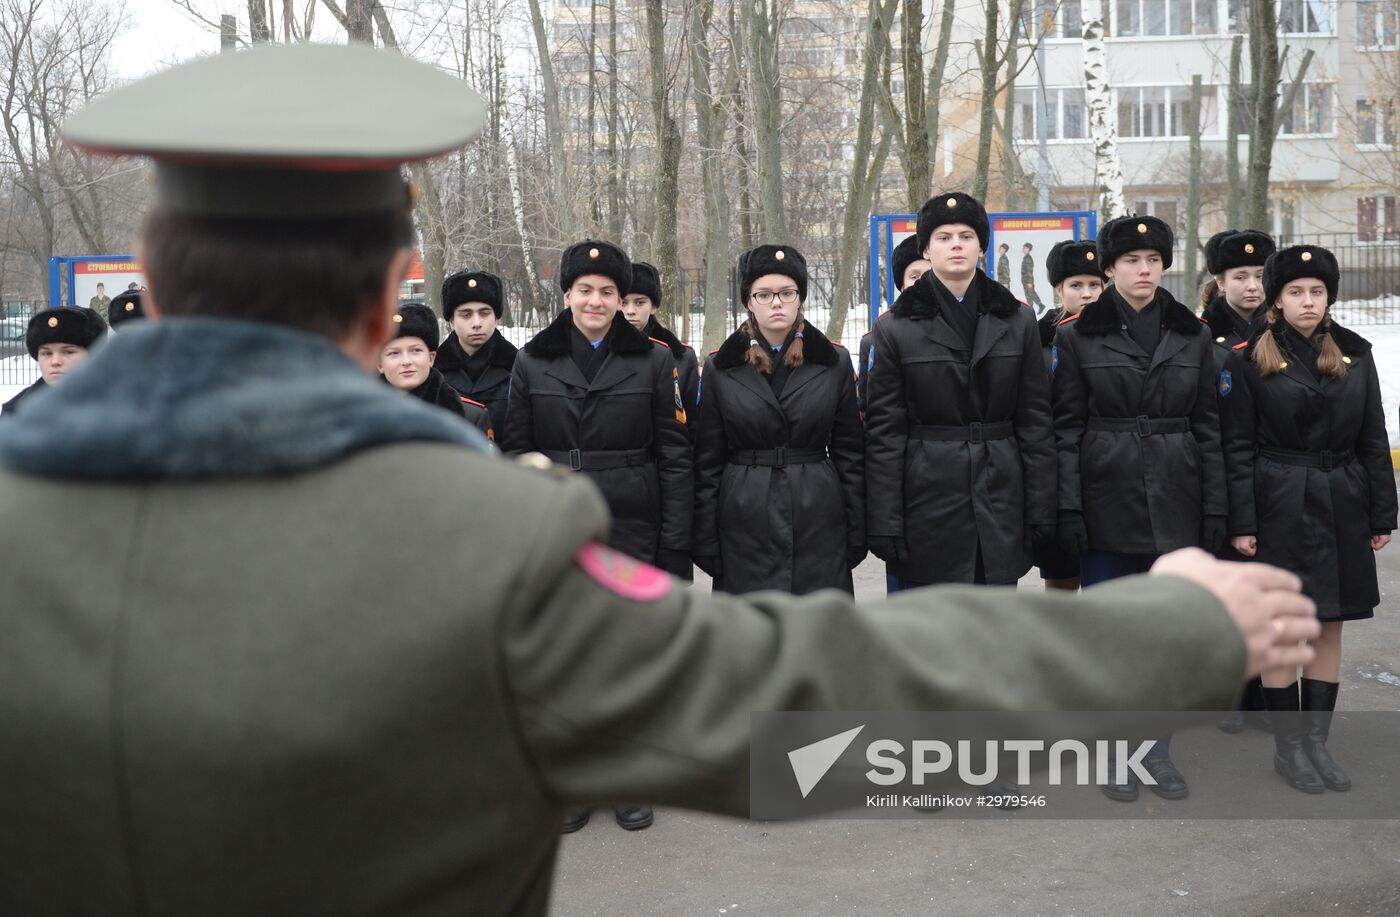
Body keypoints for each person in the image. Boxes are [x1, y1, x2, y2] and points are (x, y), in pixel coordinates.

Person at [0, 42, 1323, 917]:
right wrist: (1177, 620)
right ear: (390, 289)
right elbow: (806, 699)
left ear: (151, 281)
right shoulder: (490, 554)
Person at [1052, 214, 1228, 802]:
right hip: (1107, 493)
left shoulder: (1193, 334)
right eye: (1131, 260)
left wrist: (1215, 511)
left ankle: (1158, 751)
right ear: (1109, 268)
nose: (1144, 269)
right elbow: (1065, 428)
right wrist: (1069, 508)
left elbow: (1209, 426)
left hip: (1177, 494)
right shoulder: (1076, 336)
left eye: (1153, 259)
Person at [1220, 244, 1397, 794]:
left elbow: (1373, 439)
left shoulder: (1356, 354)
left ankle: (1317, 744)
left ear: (1329, 296)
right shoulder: (1249, 357)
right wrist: (1242, 523)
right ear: (1277, 299)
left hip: (1342, 498)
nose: (1307, 301)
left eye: (1317, 291)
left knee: (1329, 622)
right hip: (1279, 499)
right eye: (1295, 291)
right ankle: (1289, 749)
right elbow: (1237, 447)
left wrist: (1381, 513)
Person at [865, 192, 1055, 592]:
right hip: (927, 495)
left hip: (1000, 490)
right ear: (927, 250)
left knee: (992, 632)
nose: (956, 244)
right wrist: (885, 520)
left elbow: (1035, 420)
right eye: (944, 236)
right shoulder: (896, 326)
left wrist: (1041, 509)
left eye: (966, 235)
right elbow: (885, 433)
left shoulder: (1017, 318)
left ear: (981, 247)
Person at [693, 244, 865, 594]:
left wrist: (856, 528)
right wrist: (706, 538)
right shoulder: (720, 367)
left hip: (817, 510)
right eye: (764, 293)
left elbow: (850, 453)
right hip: (744, 512)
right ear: (748, 301)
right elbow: (708, 459)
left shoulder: (833, 362)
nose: (776, 302)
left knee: (816, 634)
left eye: (787, 293)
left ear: (799, 297)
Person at [1200, 228, 1276, 734]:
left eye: (1259, 276)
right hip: (1226, 474)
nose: (1252, 286)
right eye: (1240, 277)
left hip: (1277, 477)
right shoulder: (1202, 336)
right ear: (1219, 281)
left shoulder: (1287, 328)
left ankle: (1265, 692)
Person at [1034, 240, 1105, 592]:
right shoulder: (1038, 340)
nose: (1087, 294)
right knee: (1061, 579)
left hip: (1104, 468)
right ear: (1059, 289)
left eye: (1095, 285)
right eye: (1076, 286)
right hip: (1055, 470)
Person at [380, 302, 493, 440]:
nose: (406, 361)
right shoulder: (358, 417)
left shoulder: (470, 416)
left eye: (416, 350)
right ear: (379, 364)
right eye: (394, 353)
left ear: (431, 357)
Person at [433, 269, 517, 435]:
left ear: (496, 317)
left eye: (484, 313)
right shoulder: (433, 372)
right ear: (451, 321)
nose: (476, 323)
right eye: (466, 315)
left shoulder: (517, 366)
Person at [621, 260, 699, 437]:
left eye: (640, 303)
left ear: (654, 306)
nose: (630, 311)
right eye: (623, 302)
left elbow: (693, 422)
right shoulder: (602, 352)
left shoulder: (681, 357)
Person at [858, 235, 928, 418]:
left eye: (930, 274)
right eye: (914, 276)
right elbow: (871, 406)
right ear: (902, 285)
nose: (922, 282)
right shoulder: (875, 339)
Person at [0, 306, 106, 417]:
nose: (55, 361)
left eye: (68, 352)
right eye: (47, 353)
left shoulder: (117, 407)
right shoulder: (17, 412)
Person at [1020, 242, 1045, 312]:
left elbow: (1029, 271)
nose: (1023, 249)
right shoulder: (1025, 258)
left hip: (1028, 280)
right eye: (1023, 248)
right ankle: (1030, 307)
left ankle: (1040, 305)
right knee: (1028, 294)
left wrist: (1029, 282)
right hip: (1025, 280)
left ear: (1028, 249)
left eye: (1025, 248)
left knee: (1031, 293)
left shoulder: (1028, 258)